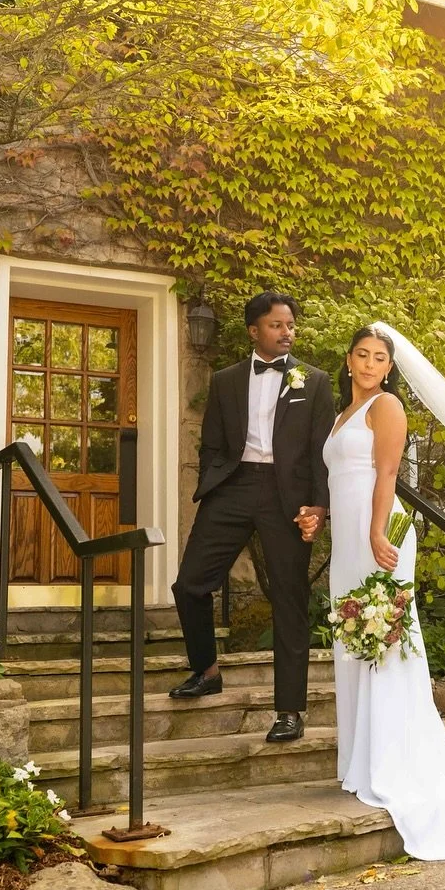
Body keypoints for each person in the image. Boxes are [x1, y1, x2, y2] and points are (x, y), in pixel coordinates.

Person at [300, 324, 445, 859]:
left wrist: (377, 531)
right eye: (362, 354)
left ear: (389, 367)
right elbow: (338, 478)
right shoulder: (338, 417)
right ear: (348, 360)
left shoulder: (387, 407)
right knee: (355, 640)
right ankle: (360, 761)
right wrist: (317, 514)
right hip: (348, 537)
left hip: (382, 533)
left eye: (380, 357)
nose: (371, 363)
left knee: (385, 640)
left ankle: (393, 761)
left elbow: (387, 470)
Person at [168, 292, 333, 746]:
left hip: (289, 497)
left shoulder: (313, 381)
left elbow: (323, 451)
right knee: (190, 585)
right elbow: (213, 442)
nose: (287, 332)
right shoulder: (225, 380)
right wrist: (213, 480)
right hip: (234, 487)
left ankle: (289, 710)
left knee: (289, 598)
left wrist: (319, 506)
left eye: (290, 325)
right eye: (277, 325)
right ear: (254, 331)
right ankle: (206, 670)